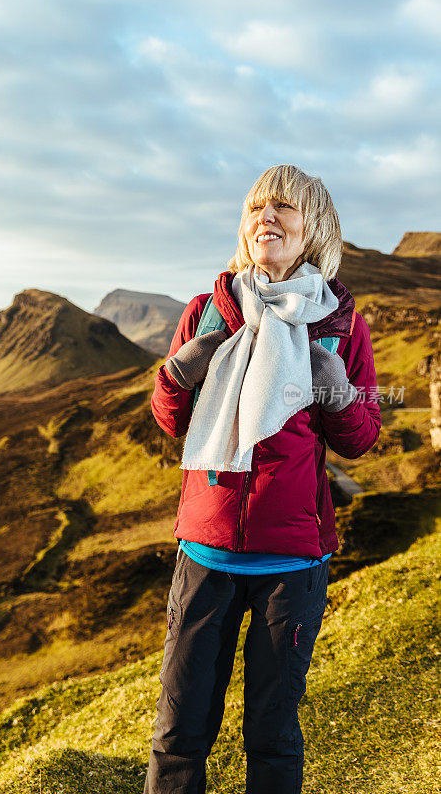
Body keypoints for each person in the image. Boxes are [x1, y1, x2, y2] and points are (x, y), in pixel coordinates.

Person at [143, 164, 381, 794]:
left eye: (284, 208)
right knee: (180, 732)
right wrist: (190, 359)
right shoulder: (207, 310)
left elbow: (360, 437)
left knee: (273, 736)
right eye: (255, 209)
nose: (265, 218)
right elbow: (170, 418)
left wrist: (333, 383)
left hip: (291, 565)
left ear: (316, 229)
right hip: (206, 554)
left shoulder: (338, 323)